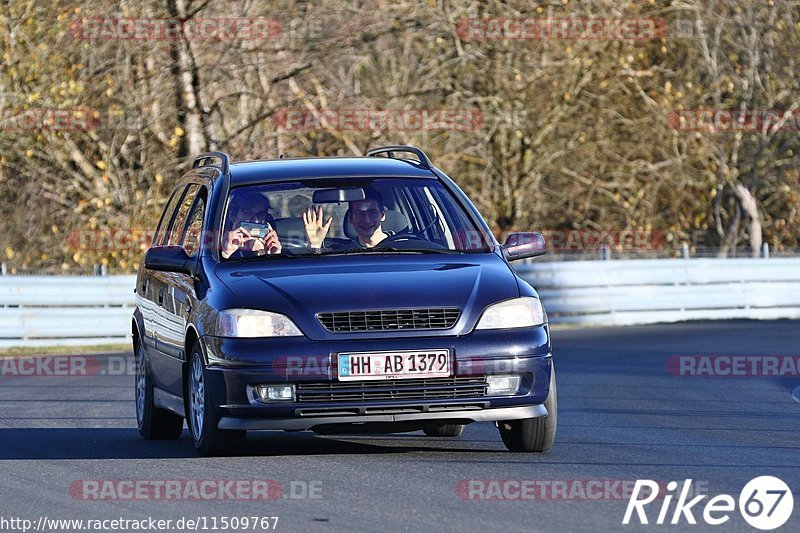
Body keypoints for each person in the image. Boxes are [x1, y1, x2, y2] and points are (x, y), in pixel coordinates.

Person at [303, 187, 391, 251]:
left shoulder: (402, 245)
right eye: (359, 213)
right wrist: (314, 245)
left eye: (372, 213)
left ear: (382, 215)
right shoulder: (342, 254)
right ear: (350, 218)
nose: (366, 220)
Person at [221, 192, 282, 259]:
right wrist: (226, 254)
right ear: (232, 216)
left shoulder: (274, 247)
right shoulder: (216, 248)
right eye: (247, 214)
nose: (255, 221)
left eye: (260, 214)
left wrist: (274, 256)